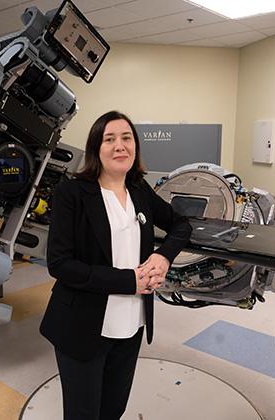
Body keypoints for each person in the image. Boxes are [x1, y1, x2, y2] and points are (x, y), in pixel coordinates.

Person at [39, 110, 192, 420]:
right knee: (84, 414)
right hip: (82, 326)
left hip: (131, 325)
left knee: (113, 409)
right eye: (109, 139)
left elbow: (181, 225)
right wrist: (127, 281)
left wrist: (163, 256)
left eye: (126, 138)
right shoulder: (73, 192)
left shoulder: (139, 190)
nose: (120, 145)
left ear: (135, 147)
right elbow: (60, 264)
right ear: (96, 148)